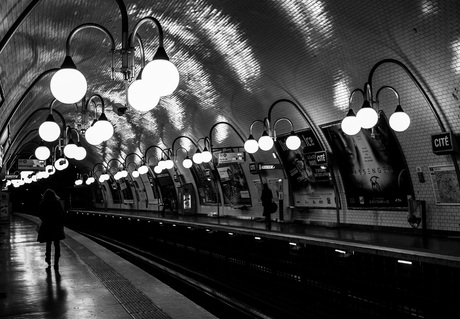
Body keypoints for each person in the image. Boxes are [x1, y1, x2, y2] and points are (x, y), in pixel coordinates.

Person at [37, 189, 66, 270]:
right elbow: (61, 214)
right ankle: (56, 262)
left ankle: (48, 258)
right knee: (57, 244)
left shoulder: (43, 203)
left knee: (48, 243)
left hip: (47, 226)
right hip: (56, 226)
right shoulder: (57, 203)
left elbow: (40, 215)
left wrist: (46, 219)